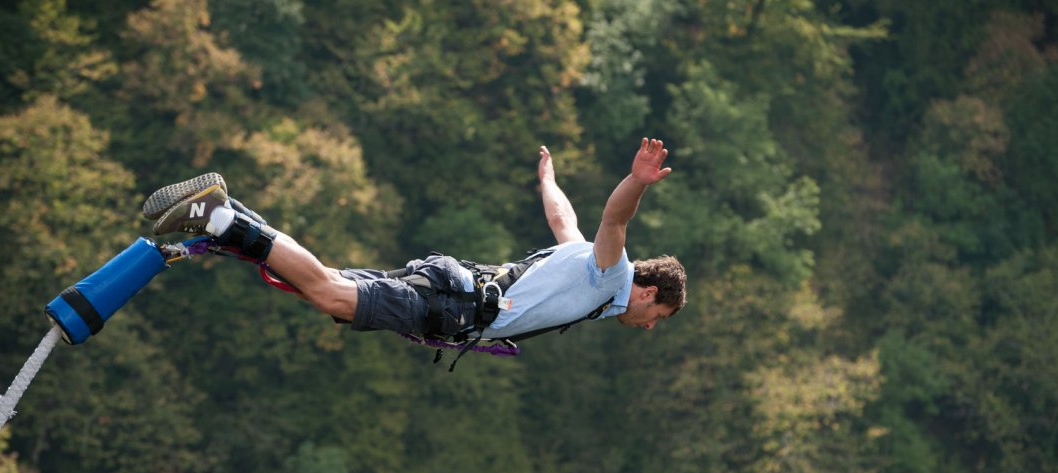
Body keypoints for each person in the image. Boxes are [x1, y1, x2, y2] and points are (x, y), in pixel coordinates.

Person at [143, 138, 686, 350]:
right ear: (646, 292)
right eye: (658, 315)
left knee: (320, 288)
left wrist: (548, 181)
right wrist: (636, 182)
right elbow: (614, 221)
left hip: (452, 294)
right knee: (329, 293)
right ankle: (218, 218)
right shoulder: (611, 275)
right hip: (453, 303)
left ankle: (231, 213)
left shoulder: (589, 270)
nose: (651, 325)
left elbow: (564, 219)